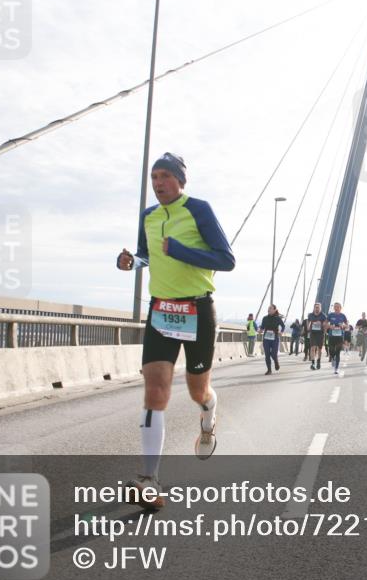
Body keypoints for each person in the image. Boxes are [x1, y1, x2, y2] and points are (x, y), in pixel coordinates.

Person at [116, 152, 235, 509]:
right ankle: (149, 479)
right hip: (161, 309)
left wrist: (183, 251)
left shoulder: (198, 210)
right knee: (155, 392)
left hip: (197, 308)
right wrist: (130, 261)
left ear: (181, 181)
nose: (158, 183)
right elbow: (145, 254)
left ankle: (209, 412)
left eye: (165, 176)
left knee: (197, 390)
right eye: (154, 177)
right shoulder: (148, 217)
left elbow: (226, 259)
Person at [259, 305, 285, 375]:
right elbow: (262, 327)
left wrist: (281, 332)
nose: (269, 309)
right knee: (267, 354)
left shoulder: (277, 318)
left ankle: (276, 361)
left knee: (274, 353)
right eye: (268, 308)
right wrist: (260, 330)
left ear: (274, 310)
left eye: (270, 308)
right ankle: (269, 370)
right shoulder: (265, 318)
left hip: (275, 338)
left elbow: (283, 326)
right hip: (266, 338)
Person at [326, 302, 349, 375]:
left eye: (338, 307)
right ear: (334, 308)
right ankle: (332, 357)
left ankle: (336, 368)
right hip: (331, 336)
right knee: (331, 350)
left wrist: (343, 326)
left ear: (340, 308)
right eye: (335, 307)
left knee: (338, 352)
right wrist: (330, 326)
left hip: (339, 336)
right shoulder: (330, 315)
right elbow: (325, 323)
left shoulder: (343, 316)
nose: (336, 308)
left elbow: (347, 325)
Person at [306, 303, 327, 370]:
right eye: (316, 307)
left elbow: (325, 323)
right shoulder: (310, 315)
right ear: (314, 308)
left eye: (318, 307)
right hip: (313, 333)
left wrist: (321, 323)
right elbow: (308, 321)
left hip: (320, 334)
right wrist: (308, 326)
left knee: (319, 349)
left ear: (320, 308)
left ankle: (318, 361)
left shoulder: (323, 315)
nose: (317, 308)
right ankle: (312, 363)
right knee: (312, 348)